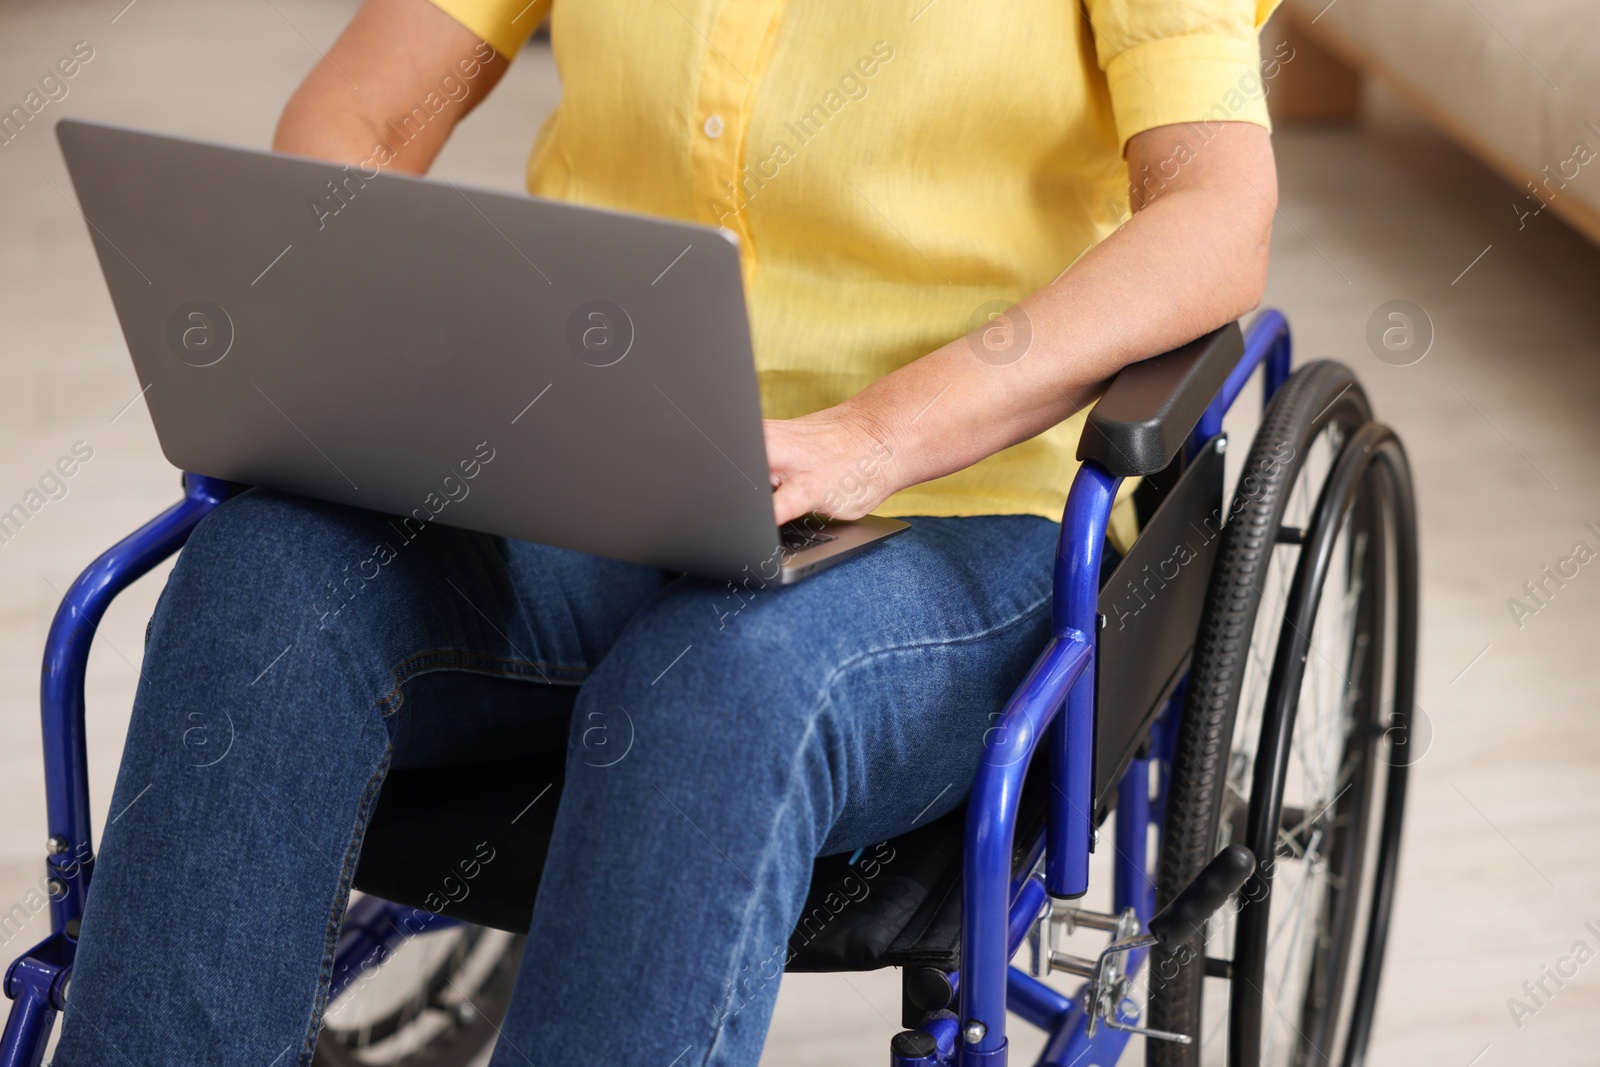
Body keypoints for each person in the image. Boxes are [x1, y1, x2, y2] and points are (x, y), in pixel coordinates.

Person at [52, 0, 1279, 1063]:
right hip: (596, 462)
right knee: (264, 581)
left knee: (711, 685)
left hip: (951, 506)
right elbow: (356, 120)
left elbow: (1214, 219)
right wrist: (385, 329)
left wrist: (876, 432)